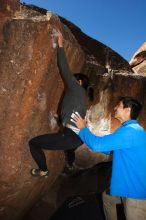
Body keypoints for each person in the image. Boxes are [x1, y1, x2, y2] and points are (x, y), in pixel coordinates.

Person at [29, 33, 93, 177]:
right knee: (67, 146)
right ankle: (70, 163)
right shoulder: (81, 97)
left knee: (34, 143)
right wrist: (60, 118)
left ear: (80, 82)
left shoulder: (77, 88)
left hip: (71, 137)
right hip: (75, 137)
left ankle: (44, 170)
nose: (71, 81)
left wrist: (60, 45)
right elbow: (72, 115)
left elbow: (64, 69)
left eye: (74, 79)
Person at [71, 96, 146, 220]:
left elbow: (97, 145)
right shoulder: (132, 130)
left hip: (136, 194)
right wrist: (85, 136)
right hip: (129, 186)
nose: (115, 107)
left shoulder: (130, 132)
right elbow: (111, 148)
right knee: (107, 197)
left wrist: (83, 129)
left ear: (128, 110)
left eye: (119, 106)